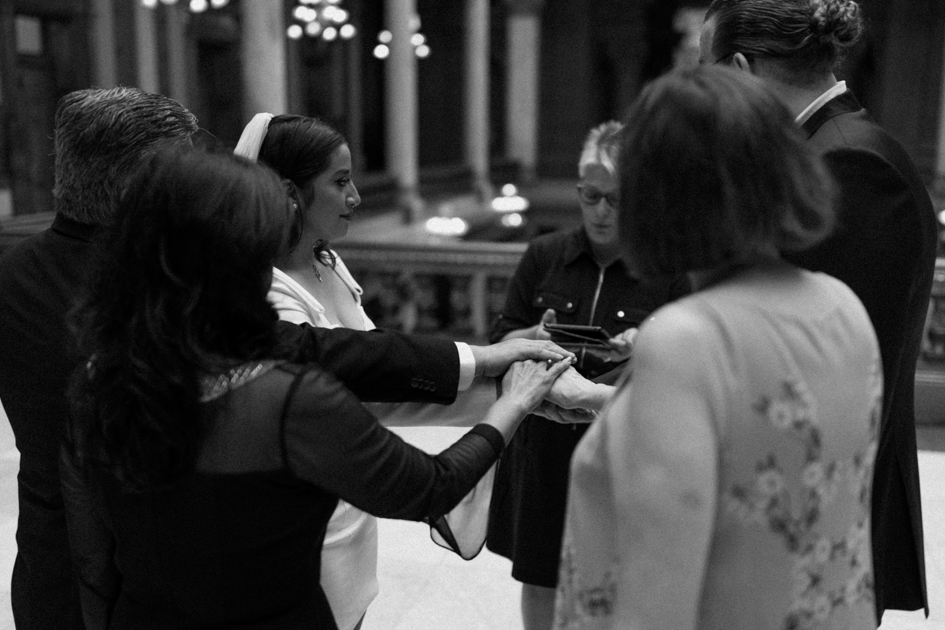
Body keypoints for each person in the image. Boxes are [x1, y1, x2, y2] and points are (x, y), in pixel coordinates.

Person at [0, 88, 568, 630]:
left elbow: (94, 551)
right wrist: (509, 394)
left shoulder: (30, 291)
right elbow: (420, 480)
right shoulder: (242, 357)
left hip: (78, 589)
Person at [554, 65, 880, 630]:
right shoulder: (844, 308)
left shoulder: (688, 340)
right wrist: (599, 404)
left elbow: (656, 604)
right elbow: (758, 449)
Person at [700, 0, 938, 618]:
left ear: (745, 70)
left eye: (708, 72)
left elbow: (826, 381)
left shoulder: (849, 165)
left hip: (818, 528)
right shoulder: (824, 152)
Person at [235, 113, 502, 629]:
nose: (356, 196)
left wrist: (499, 383)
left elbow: (380, 368)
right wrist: (498, 389)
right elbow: (359, 385)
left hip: (351, 512)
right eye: (340, 182)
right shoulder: (261, 291)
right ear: (290, 192)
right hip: (298, 529)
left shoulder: (325, 261)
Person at [486, 121, 689, 630]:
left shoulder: (667, 269)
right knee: (540, 577)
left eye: (615, 199)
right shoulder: (544, 256)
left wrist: (650, 344)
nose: (600, 211)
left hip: (626, 448)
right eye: (590, 195)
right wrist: (530, 334)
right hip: (544, 448)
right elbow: (499, 349)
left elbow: (691, 375)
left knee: (624, 578)